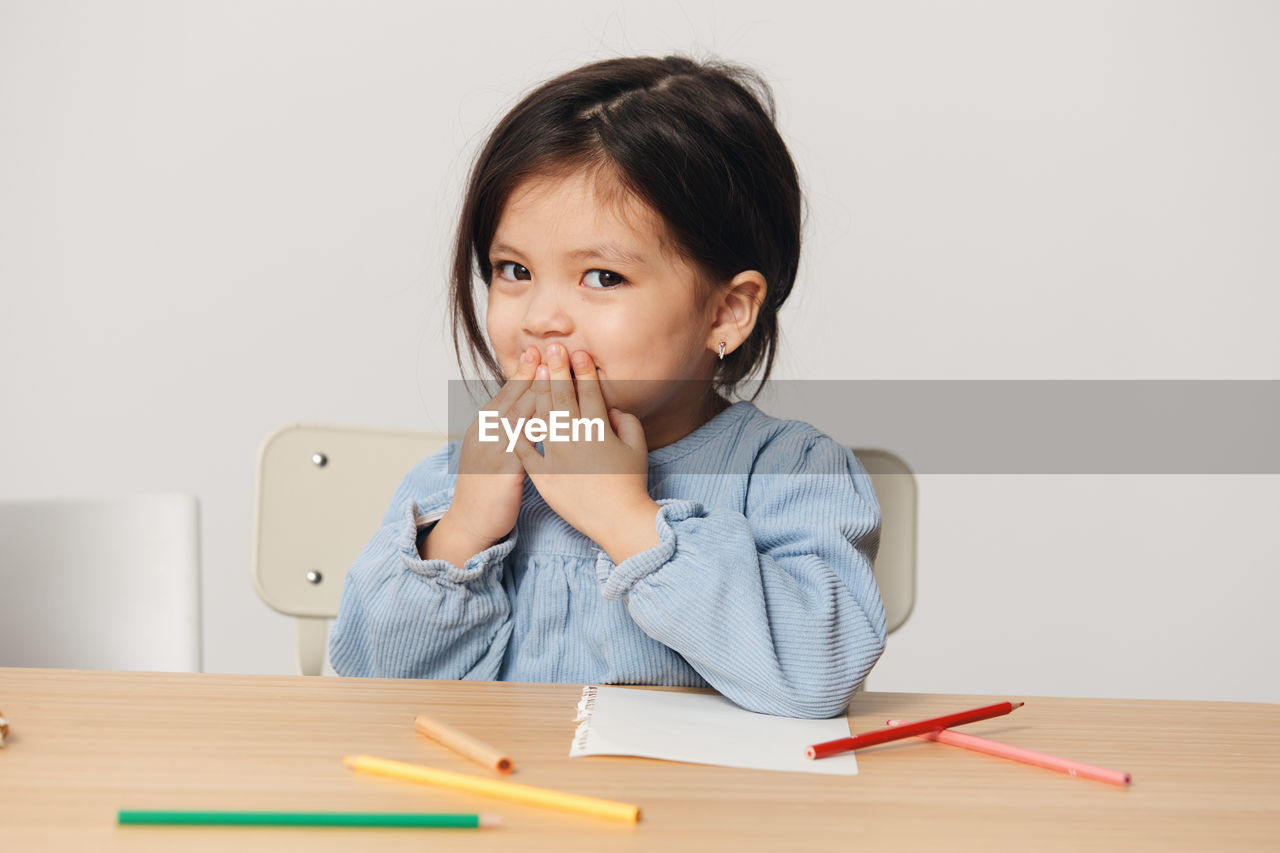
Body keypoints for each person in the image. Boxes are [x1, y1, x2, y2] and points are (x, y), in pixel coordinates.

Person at [329, 54, 886, 718]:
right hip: (506, 809)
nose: (540, 317)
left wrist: (624, 517)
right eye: (513, 269)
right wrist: (463, 532)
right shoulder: (456, 478)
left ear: (727, 312)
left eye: (601, 277)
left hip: (703, 819)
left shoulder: (792, 473)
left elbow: (817, 674)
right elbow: (364, 683)